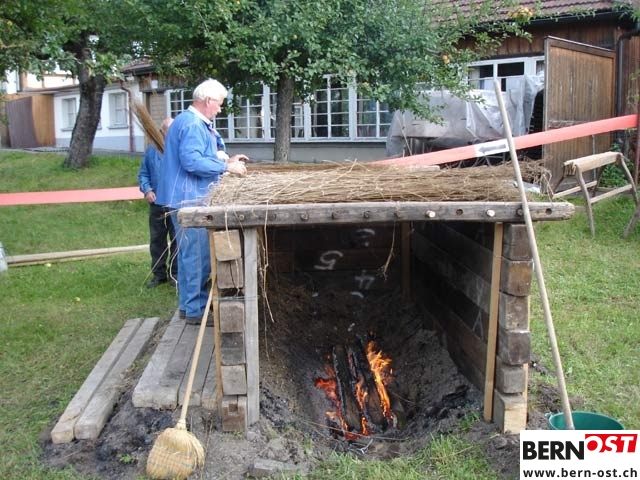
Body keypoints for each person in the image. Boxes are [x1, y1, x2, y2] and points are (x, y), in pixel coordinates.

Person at [156, 78, 247, 324]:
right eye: (219, 103)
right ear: (208, 101)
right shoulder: (193, 124)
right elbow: (192, 162)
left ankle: (188, 306)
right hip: (189, 198)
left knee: (189, 255)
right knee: (197, 257)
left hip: (184, 197)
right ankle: (196, 310)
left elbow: (198, 155)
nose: (220, 109)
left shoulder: (187, 121)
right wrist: (227, 167)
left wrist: (226, 160)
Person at [138, 118, 178, 288]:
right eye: (168, 130)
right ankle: (159, 274)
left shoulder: (180, 148)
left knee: (177, 239)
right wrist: (147, 190)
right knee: (157, 239)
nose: (171, 133)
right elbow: (143, 173)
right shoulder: (152, 150)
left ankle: (176, 275)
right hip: (157, 202)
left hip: (176, 201)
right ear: (162, 131)